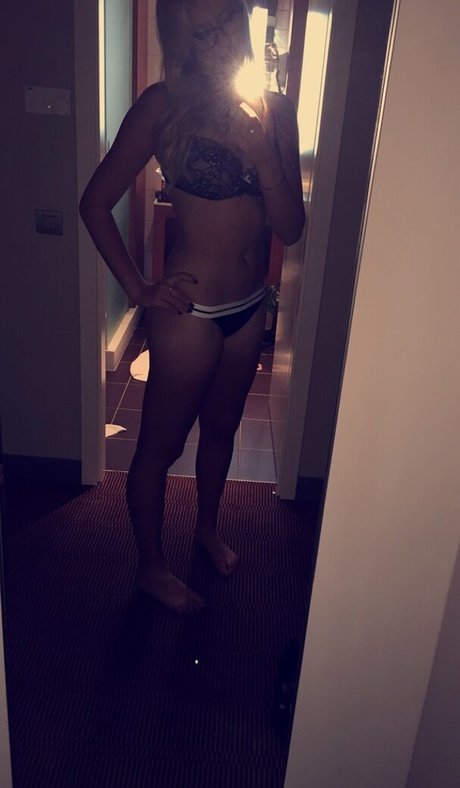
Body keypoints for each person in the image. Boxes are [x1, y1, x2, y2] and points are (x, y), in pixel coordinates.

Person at [79, 0, 305, 614]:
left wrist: (265, 157)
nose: (219, 39)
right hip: (189, 315)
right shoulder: (162, 107)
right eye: (202, 33)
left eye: (227, 21)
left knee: (222, 431)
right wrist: (138, 288)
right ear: (181, 41)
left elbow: (291, 228)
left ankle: (206, 529)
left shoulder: (276, 110)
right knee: (160, 445)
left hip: (250, 306)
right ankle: (152, 568)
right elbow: (95, 202)